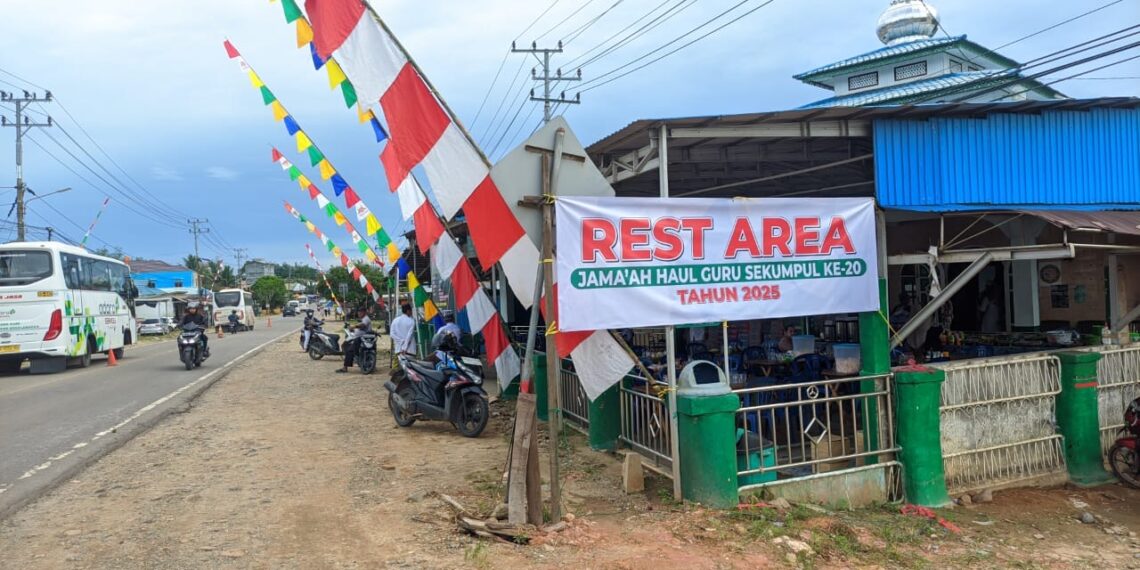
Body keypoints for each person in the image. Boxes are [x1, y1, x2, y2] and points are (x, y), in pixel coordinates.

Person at [336, 307, 373, 373]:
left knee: (349, 350)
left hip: (362, 338)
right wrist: (353, 329)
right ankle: (354, 358)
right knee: (346, 345)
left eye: (360, 312)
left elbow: (363, 325)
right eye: (358, 312)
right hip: (360, 337)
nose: (359, 313)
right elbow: (361, 328)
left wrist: (354, 326)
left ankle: (345, 367)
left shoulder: (366, 319)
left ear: (364, 312)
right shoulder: (363, 319)